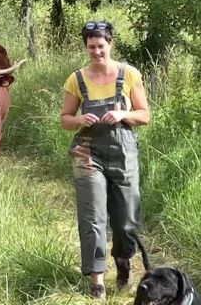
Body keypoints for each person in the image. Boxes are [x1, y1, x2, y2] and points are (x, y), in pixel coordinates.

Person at [60, 21, 151, 299]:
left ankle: (123, 263)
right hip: (87, 151)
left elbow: (145, 115)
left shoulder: (129, 74)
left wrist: (124, 115)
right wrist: (79, 119)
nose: (96, 52)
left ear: (110, 44)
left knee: (126, 220)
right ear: (86, 47)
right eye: (91, 47)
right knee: (93, 217)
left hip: (124, 150)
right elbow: (64, 119)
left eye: (101, 46)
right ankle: (96, 281)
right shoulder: (77, 78)